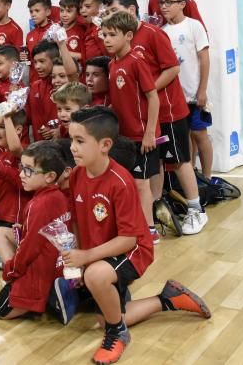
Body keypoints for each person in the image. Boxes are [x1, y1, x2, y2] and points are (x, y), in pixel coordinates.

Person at [64, 107, 211, 364]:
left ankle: (117, 333)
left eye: (79, 141)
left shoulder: (120, 182)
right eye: (71, 140)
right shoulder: (77, 175)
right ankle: (167, 299)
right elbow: (77, 221)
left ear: (105, 145)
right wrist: (77, 254)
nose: (72, 148)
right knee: (102, 314)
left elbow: (129, 240)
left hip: (132, 250)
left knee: (96, 276)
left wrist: (88, 257)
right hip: (103, 252)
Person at [0, 142, 70, 321]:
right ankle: (51, 294)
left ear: (50, 176)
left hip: (42, 269)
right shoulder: (57, 196)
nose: (21, 174)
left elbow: (31, 247)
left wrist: (12, 270)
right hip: (59, 264)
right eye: (21, 168)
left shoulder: (39, 204)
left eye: (28, 170)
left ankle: (46, 298)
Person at [100, 11, 161, 239]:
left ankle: (150, 230)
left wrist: (149, 134)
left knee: (141, 184)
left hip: (142, 137)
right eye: (104, 34)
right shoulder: (113, 64)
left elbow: (153, 98)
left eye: (112, 35)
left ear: (128, 35)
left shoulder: (137, 61)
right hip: (123, 138)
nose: (106, 39)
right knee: (126, 184)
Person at [159, 0, 215, 192]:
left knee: (199, 134)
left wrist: (202, 90)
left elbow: (204, 59)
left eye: (168, 3)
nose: (163, 7)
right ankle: (191, 174)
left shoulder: (194, 26)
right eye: (161, 3)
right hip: (175, 99)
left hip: (194, 94)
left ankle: (208, 177)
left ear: (182, 4)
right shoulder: (161, 32)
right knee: (184, 138)